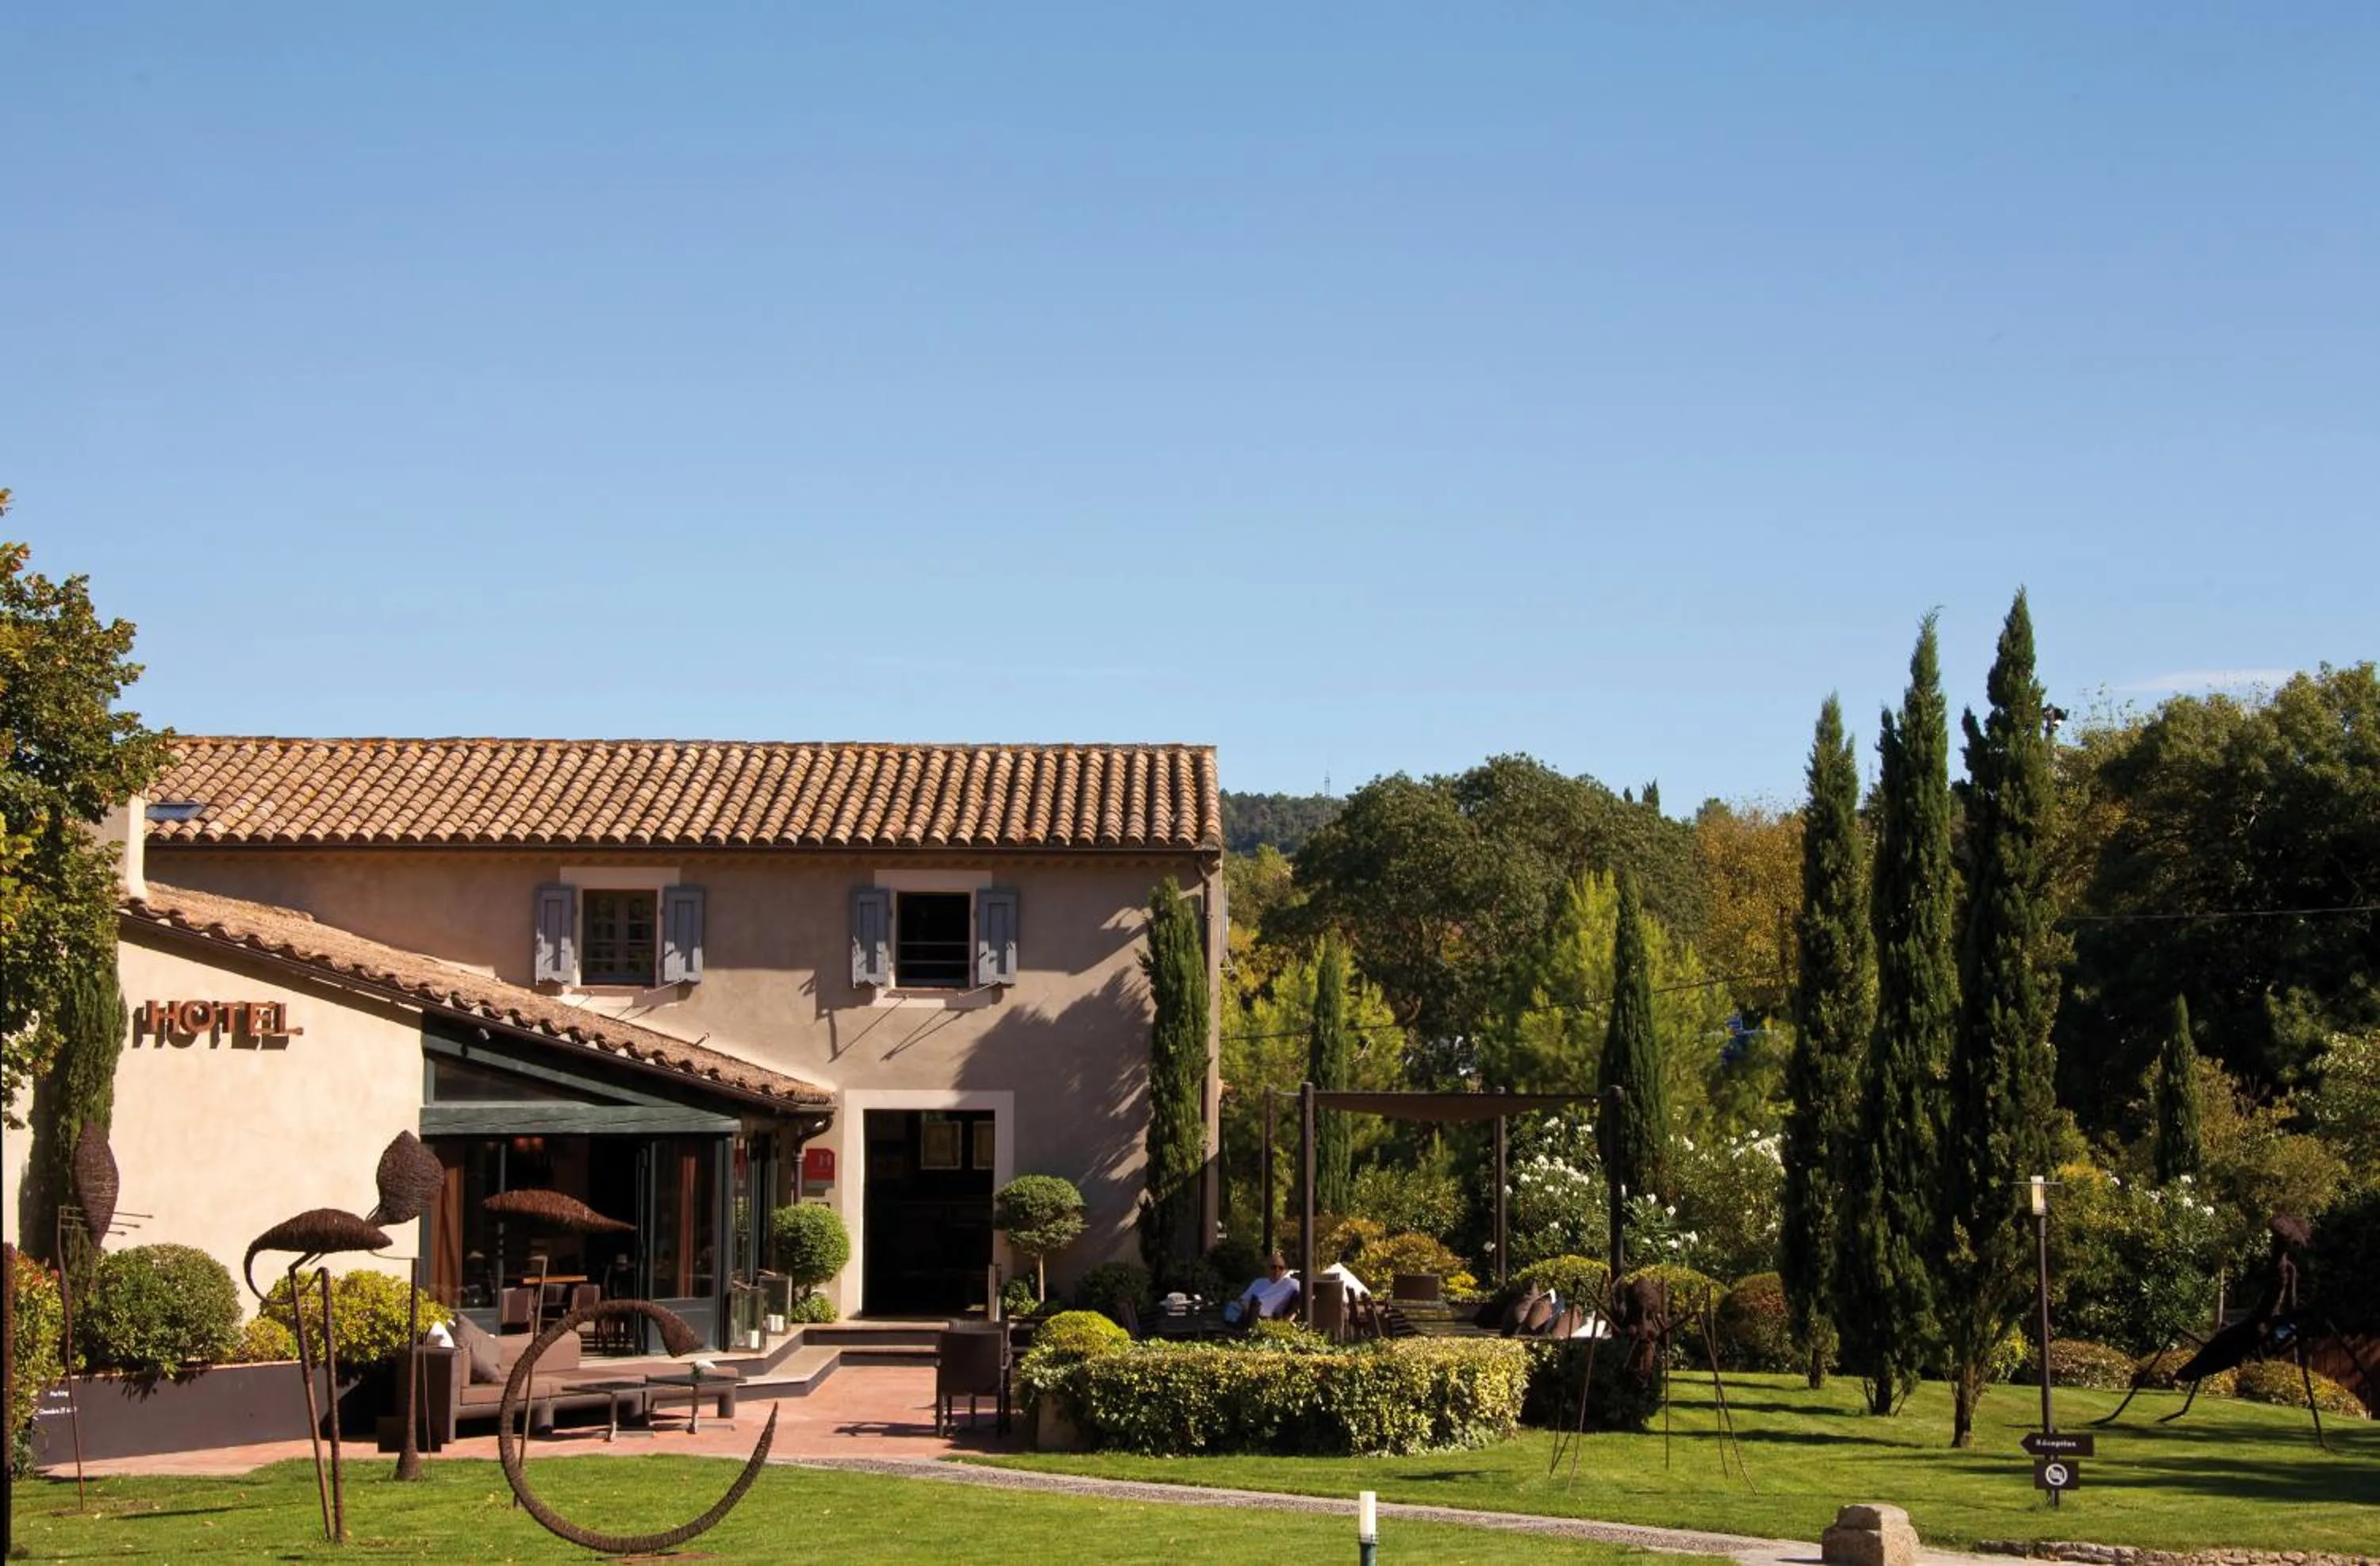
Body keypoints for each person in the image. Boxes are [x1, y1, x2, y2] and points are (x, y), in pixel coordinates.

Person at [1226, 1251, 1300, 1324]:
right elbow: (1243, 1299)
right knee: (1232, 1305)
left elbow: (1305, 1294)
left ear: (1284, 1270)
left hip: (1264, 1318)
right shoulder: (1259, 1282)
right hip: (1246, 1312)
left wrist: (1291, 1315)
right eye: (1273, 1267)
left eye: (1281, 1268)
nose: (1277, 1270)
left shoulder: (1291, 1283)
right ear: (1267, 1268)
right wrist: (1244, 1305)